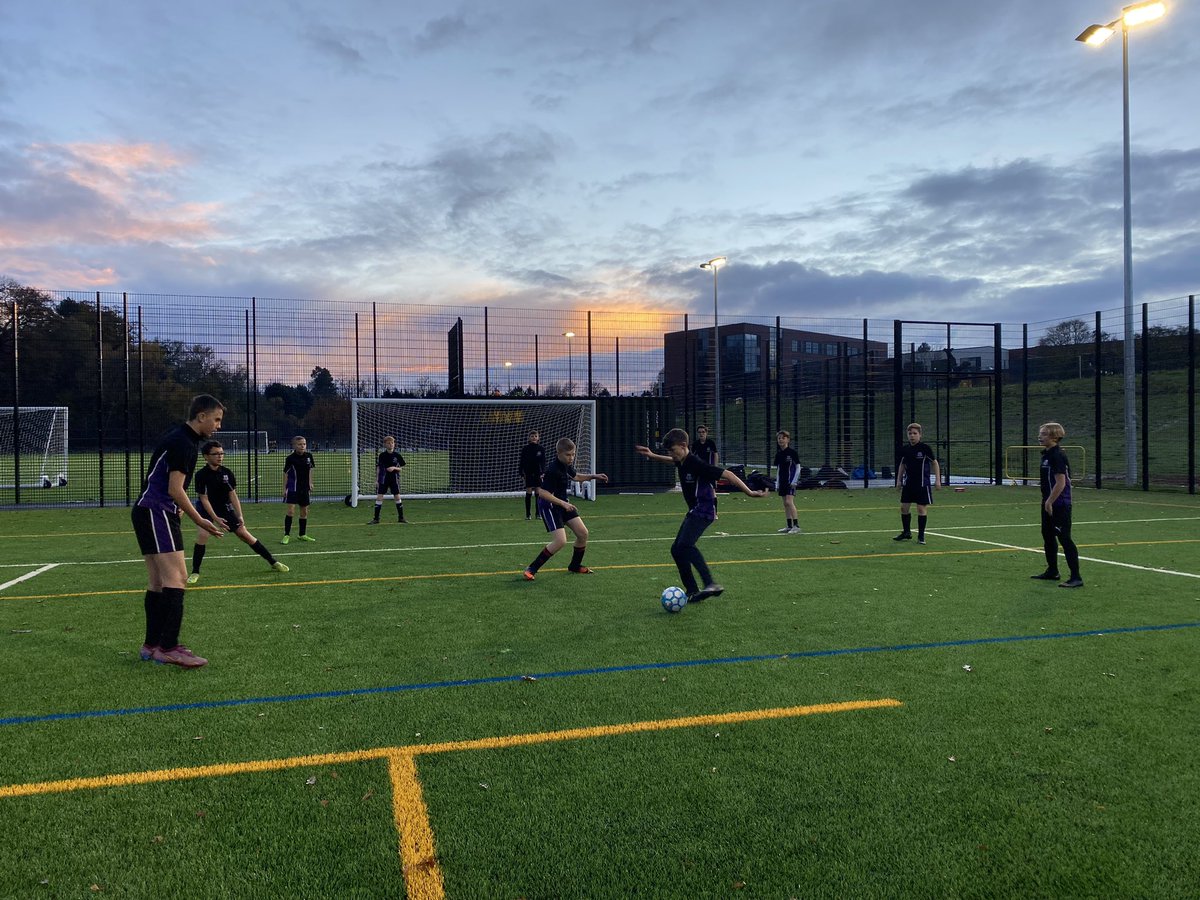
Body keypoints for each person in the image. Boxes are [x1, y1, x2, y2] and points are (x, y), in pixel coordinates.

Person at [131, 394, 226, 668]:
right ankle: (169, 647)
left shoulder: (177, 438)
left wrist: (178, 505)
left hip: (147, 510)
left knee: (158, 582)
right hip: (157, 511)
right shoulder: (185, 444)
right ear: (201, 416)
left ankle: (151, 645)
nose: (218, 426)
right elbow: (174, 488)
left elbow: (169, 484)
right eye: (216, 419)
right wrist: (200, 519)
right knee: (178, 578)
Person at [636, 428, 765, 603]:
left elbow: (728, 474)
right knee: (676, 549)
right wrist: (653, 456)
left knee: (685, 545)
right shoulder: (681, 460)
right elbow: (670, 460)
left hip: (704, 509)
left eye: (672, 450)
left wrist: (750, 492)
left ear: (683, 445)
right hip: (695, 510)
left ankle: (710, 583)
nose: (671, 455)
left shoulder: (696, 463)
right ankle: (692, 591)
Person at [187, 441, 290, 584]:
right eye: (215, 454)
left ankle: (273, 562)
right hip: (206, 509)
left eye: (221, 453)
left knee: (245, 535)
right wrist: (215, 518)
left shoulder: (227, 473)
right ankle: (195, 572)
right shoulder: (201, 475)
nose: (220, 456)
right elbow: (203, 499)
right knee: (203, 535)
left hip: (224, 508)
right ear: (205, 456)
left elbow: (233, 494)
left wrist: (240, 515)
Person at [523, 438, 608, 579]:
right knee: (560, 541)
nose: (571, 458)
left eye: (573, 454)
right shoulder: (552, 469)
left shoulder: (565, 465)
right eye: (568, 455)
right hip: (549, 506)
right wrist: (564, 504)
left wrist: (593, 476)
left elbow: (576, 476)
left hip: (563, 504)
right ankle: (531, 568)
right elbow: (543, 493)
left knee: (583, 533)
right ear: (559, 453)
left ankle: (575, 565)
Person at [1032, 422, 1084, 588]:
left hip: (1059, 504)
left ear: (1055, 437)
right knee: (1047, 536)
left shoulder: (1057, 455)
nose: (1040, 436)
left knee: (1064, 538)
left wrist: (1050, 501)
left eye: (1045, 434)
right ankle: (1052, 571)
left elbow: (1061, 483)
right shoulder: (1046, 455)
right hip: (1048, 502)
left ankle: (1076, 577)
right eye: (1040, 433)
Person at [893, 423, 941, 545]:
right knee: (904, 508)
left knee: (921, 509)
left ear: (920, 435)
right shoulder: (905, 449)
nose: (912, 436)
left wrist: (937, 480)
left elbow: (934, 463)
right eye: (910, 434)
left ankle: (921, 536)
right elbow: (902, 465)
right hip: (908, 484)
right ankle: (906, 532)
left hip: (922, 484)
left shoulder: (925, 448)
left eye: (915, 433)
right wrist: (898, 480)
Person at [282, 435, 316, 544]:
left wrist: (310, 482)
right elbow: (286, 474)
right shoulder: (290, 458)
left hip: (304, 488)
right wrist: (284, 488)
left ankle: (302, 534)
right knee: (291, 511)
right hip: (293, 488)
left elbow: (311, 469)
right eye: (300, 444)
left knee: (304, 511)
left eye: (304, 444)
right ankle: (286, 535)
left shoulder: (309, 456)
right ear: (294, 446)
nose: (302, 446)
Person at [368, 435, 407, 524]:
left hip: (394, 479)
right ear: (385, 444)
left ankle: (401, 518)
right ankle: (376, 519)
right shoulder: (382, 455)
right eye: (388, 443)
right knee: (379, 497)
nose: (391, 445)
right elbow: (378, 468)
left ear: (394, 444)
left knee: (397, 497)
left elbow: (401, 468)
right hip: (383, 478)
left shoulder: (397, 455)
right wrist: (377, 479)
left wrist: (394, 468)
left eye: (392, 443)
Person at [773, 431, 801, 534]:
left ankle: (796, 525)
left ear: (788, 440)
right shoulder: (779, 454)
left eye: (783, 438)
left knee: (789, 502)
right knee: (785, 503)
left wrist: (794, 481)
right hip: (782, 482)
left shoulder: (792, 453)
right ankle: (789, 526)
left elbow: (798, 467)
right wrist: (777, 483)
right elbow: (778, 469)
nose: (781, 440)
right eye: (779, 438)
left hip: (791, 481)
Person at [690, 424, 719, 515]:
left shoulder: (710, 443)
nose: (701, 434)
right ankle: (695, 510)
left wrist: (715, 467)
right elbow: (692, 456)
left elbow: (715, 455)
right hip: (699, 470)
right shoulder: (695, 444)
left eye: (703, 432)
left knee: (712, 491)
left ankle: (715, 513)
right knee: (696, 491)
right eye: (699, 432)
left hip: (710, 470)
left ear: (706, 433)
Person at [519, 429, 546, 520]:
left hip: (538, 473)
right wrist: (521, 473)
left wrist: (543, 472)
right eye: (532, 436)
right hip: (528, 473)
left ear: (538, 438)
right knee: (529, 492)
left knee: (538, 493)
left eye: (535, 436)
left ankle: (538, 514)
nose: (534, 437)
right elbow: (522, 461)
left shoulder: (541, 449)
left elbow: (543, 462)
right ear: (529, 438)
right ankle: (528, 514)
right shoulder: (525, 449)